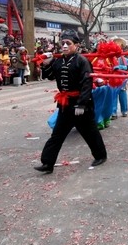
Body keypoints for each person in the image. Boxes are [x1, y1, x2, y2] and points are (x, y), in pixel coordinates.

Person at [34, 30, 107, 173]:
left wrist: (82, 103)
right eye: (63, 43)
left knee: (90, 132)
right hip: (65, 103)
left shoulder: (82, 61)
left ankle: (101, 156)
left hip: (80, 103)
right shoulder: (58, 61)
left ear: (76, 45)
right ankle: (47, 163)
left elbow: (87, 83)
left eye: (68, 43)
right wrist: (46, 64)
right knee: (57, 134)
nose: (65, 46)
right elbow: (50, 76)